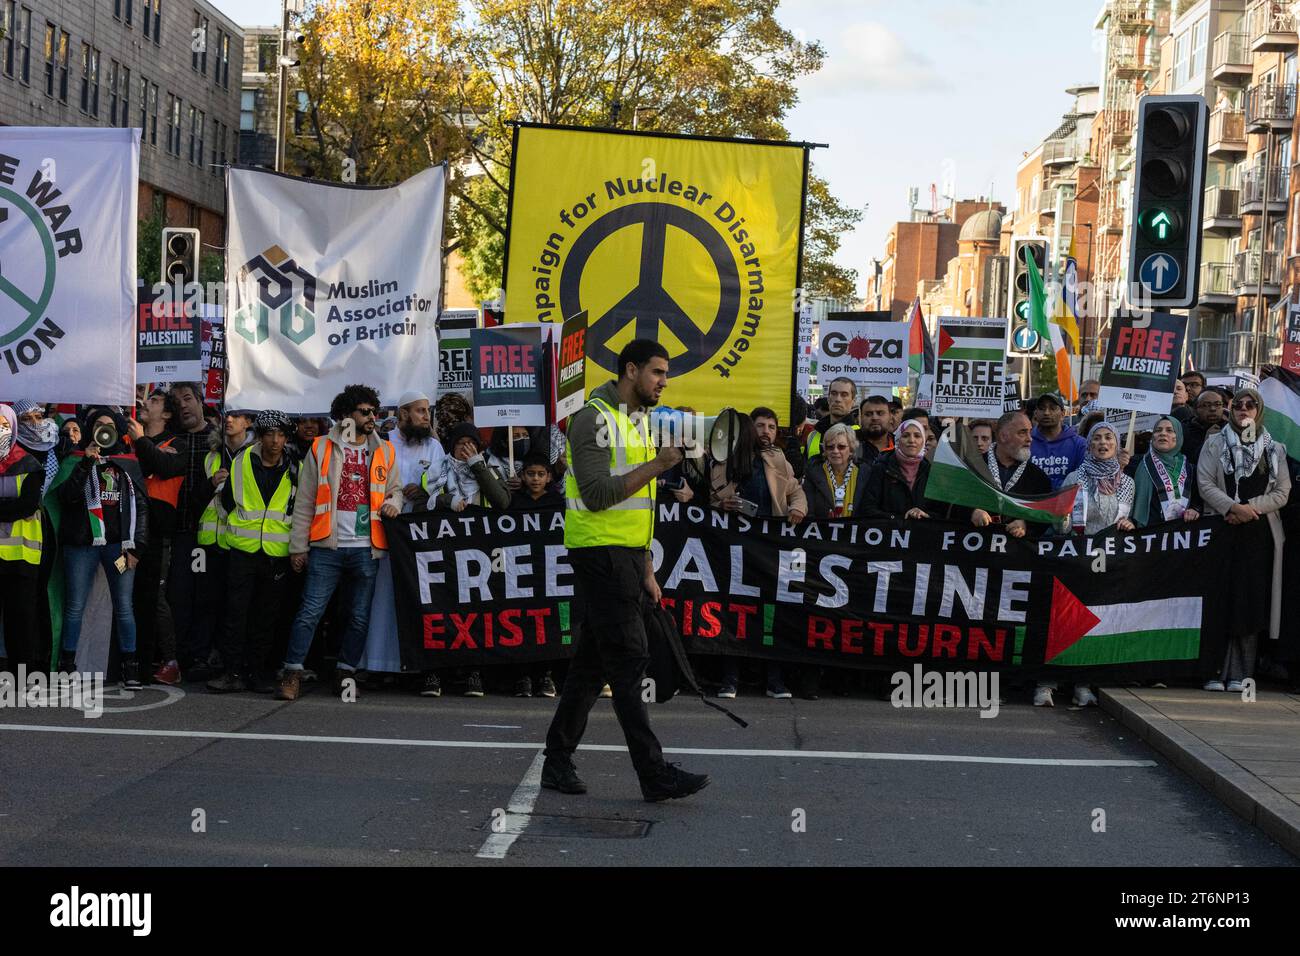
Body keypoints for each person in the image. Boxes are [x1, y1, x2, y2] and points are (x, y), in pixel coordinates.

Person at [542, 338, 710, 803]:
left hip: (627, 557)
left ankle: (557, 760)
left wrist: (647, 567)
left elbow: (641, 507)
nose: (664, 382)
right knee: (629, 659)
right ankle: (653, 773)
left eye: (666, 374)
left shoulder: (634, 421)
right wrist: (658, 464)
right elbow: (597, 495)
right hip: (600, 554)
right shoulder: (593, 418)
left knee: (593, 665)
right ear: (631, 370)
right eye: (657, 372)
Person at [276, 385, 404, 702]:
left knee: (358, 617)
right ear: (346, 415)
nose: (372, 417)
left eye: (375, 411)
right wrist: (298, 547)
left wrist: (394, 503)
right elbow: (305, 501)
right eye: (365, 412)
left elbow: (395, 490)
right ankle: (292, 672)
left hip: (367, 547)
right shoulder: (321, 447)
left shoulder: (385, 450)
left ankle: (345, 673)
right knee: (310, 613)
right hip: (326, 547)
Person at [1197, 387, 1291, 693]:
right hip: (1222, 528)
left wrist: (1249, 509)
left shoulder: (1274, 449)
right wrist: (1231, 508)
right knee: (1220, 599)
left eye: (1251, 405)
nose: (1244, 409)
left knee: (1248, 601)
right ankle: (1214, 670)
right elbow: (1205, 483)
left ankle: (1241, 673)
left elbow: (1282, 493)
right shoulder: (1214, 443)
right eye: (1238, 404)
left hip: (1258, 534)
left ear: (1259, 411)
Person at [709, 408, 806, 700]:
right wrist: (720, 505)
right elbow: (711, 498)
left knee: (770, 614)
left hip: (770, 549)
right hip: (735, 547)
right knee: (734, 612)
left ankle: (774, 680)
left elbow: (795, 491)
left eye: (771, 427)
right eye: (760, 425)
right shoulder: (726, 458)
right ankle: (730, 679)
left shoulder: (778, 459)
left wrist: (797, 507)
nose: (766, 431)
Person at [128, 382, 219, 681]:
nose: (183, 405)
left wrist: (144, 443)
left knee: (198, 597)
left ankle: (191, 657)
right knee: (168, 595)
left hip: (200, 531)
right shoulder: (166, 437)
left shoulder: (213, 439)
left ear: (201, 401)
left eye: (188, 398)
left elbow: (165, 467)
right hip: (165, 531)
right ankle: (157, 658)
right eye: (177, 401)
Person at [56, 407, 149, 687]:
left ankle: (130, 667)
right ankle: (66, 665)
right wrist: (86, 463)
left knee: (124, 607)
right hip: (82, 545)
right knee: (75, 606)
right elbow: (67, 498)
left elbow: (141, 507)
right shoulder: (77, 458)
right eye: (98, 425)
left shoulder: (128, 462)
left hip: (119, 546)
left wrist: (137, 547)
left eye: (109, 426)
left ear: (118, 431)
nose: (103, 430)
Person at [208, 411, 298, 694]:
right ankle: (232, 672)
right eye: (270, 434)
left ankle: (257, 673)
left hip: (276, 553)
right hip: (242, 551)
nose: (275, 440)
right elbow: (225, 500)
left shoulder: (296, 466)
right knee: (235, 614)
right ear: (259, 436)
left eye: (281, 435)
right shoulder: (242, 460)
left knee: (265, 617)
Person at [362, 391, 445, 682]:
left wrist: (425, 493)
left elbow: (444, 485)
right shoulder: (383, 444)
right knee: (383, 597)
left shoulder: (434, 447)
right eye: (420, 411)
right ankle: (377, 664)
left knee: (415, 597)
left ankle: (416, 667)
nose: (426, 417)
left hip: (419, 537)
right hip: (386, 532)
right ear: (404, 414)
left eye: (427, 411)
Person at [0, 403, 46, 674]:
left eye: (4, 425)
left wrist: (8, 507)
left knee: (21, 622)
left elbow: (27, 506)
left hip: (21, 558)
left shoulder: (29, 464)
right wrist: (10, 507)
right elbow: (17, 507)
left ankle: (23, 676)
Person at [1062, 423, 1136, 536]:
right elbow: (1061, 528)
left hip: (1115, 545)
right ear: (1089, 445)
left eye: (1108, 437)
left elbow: (1129, 518)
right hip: (1081, 544)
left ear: (1117, 445)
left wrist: (1129, 524)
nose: (1102, 442)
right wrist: (1063, 519)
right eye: (1096, 438)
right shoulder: (1074, 479)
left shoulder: (1127, 483)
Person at [1131, 416, 1201, 527]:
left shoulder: (1191, 469)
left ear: (1178, 436)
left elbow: (1198, 500)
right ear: (1153, 437)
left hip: (1180, 533)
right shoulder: (1135, 463)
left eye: (1169, 430)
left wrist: (1194, 509)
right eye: (1158, 430)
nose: (1163, 434)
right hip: (1145, 533)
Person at [862, 420, 935, 521]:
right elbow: (868, 508)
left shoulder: (931, 471)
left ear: (923, 441)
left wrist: (925, 515)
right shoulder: (881, 468)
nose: (912, 440)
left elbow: (941, 511)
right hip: (888, 529)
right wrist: (898, 519)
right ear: (897, 439)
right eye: (905, 436)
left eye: (917, 436)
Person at [802, 423, 869, 518]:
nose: (835, 451)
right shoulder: (812, 474)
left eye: (841, 447)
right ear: (825, 450)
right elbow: (809, 510)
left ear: (851, 449)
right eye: (830, 447)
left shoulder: (865, 474)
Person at [1030, 393, 1087, 490]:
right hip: (1031, 498)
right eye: (1042, 408)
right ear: (1035, 413)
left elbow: (1081, 480)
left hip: (1068, 498)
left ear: (1063, 414)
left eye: (1052, 408)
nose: (1046, 413)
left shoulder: (1080, 444)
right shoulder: (1026, 441)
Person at [805, 377, 858, 459]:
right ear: (828, 399)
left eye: (844, 395)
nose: (838, 399)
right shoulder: (813, 434)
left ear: (853, 401)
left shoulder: (858, 435)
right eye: (834, 393)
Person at [1182, 389, 1226, 467]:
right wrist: (1207, 442)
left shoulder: (1230, 429)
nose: (1213, 409)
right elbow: (1188, 464)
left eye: (1217, 404)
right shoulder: (1183, 431)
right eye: (1206, 405)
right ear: (1195, 410)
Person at [856, 395, 894, 466]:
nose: (875, 418)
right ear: (860, 418)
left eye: (880, 413)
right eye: (868, 414)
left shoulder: (900, 444)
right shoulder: (850, 444)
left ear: (890, 417)